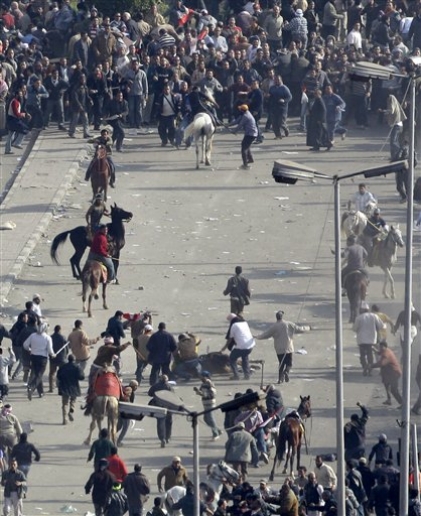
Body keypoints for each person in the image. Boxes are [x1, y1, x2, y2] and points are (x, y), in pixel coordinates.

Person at [255, 310, 296, 384]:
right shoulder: (289, 324)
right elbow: (299, 328)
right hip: (288, 347)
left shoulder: (274, 327)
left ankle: (280, 379)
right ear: (282, 316)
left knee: (281, 364)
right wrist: (308, 328)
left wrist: (257, 337)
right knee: (289, 364)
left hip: (279, 349)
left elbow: (266, 334)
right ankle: (286, 372)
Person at [23, 322, 56, 400]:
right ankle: (31, 387)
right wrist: (53, 355)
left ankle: (40, 392)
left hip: (33, 357)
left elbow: (25, 345)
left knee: (37, 374)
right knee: (39, 375)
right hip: (42, 358)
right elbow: (50, 350)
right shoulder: (47, 338)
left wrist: (30, 349)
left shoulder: (33, 336)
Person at [353, 302, 385, 376]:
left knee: (362, 355)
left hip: (361, 339)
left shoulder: (359, 318)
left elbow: (354, 328)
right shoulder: (374, 316)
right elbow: (381, 326)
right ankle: (370, 368)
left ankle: (365, 366)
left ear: (361, 310)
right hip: (371, 339)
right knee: (370, 354)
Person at [222, 314, 255, 381]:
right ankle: (247, 375)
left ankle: (236, 376)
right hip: (250, 345)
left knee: (232, 358)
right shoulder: (244, 323)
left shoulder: (234, 325)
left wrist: (224, 348)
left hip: (242, 346)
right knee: (245, 358)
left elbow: (230, 339)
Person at [370, 341, 403, 407]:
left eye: (381, 347)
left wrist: (371, 366)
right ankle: (389, 400)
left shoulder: (386, 354)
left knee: (394, 390)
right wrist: (374, 350)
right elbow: (379, 353)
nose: (380, 348)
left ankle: (403, 403)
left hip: (394, 373)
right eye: (380, 347)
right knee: (386, 384)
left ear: (385, 347)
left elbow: (381, 363)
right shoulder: (385, 350)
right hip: (388, 373)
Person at [57, 354, 85, 425]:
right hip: (74, 386)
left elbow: (59, 376)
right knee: (73, 400)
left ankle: (64, 419)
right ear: (74, 360)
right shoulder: (77, 367)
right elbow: (81, 377)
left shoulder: (63, 367)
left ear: (68, 359)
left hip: (64, 387)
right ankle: (71, 410)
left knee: (64, 404)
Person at [194, 371, 223, 440]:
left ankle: (215, 434)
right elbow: (202, 392)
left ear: (205, 376)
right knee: (206, 419)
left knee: (210, 418)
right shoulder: (203, 384)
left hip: (210, 403)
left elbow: (212, 394)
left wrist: (203, 394)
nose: (200, 377)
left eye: (201, 376)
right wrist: (198, 391)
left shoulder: (209, 383)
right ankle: (218, 430)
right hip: (205, 404)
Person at [229, 104, 258, 170]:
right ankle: (250, 159)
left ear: (242, 110)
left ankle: (245, 165)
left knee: (244, 148)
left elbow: (240, 125)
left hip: (251, 134)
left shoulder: (246, 116)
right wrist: (228, 125)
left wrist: (234, 131)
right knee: (246, 146)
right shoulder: (245, 113)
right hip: (251, 133)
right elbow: (237, 121)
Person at [148, 375, 174, 448]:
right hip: (168, 407)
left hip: (158, 406)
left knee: (160, 423)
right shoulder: (169, 387)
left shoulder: (155, 386)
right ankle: (167, 437)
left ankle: (162, 439)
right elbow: (173, 396)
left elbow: (149, 393)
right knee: (169, 422)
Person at [5, 88, 30, 155]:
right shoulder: (15, 102)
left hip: (12, 119)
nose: (21, 96)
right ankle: (17, 143)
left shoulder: (17, 101)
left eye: (22, 95)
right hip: (13, 120)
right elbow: (16, 113)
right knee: (25, 129)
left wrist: (25, 114)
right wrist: (23, 114)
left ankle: (7, 150)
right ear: (16, 95)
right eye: (20, 95)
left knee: (11, 135)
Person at [268, 75, 292, 140]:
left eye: (278, 80)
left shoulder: (284, 88)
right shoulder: (272, 88)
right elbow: (270, 96)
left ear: (281, 80)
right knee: (274, 123)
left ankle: (286, 129)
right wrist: (268, 96)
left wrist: (284, 100)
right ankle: (278, 135)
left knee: (281, 122)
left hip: (282, 108)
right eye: (275, 80)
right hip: (274, 107)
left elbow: (289, 97)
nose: (277, 81)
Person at [48, 324, 68, 393]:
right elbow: (67, 348)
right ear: (60, 330)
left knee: (52, 373)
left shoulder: (50, 337)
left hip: (53, 358)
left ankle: (51, 388)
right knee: (62, 373)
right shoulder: (63, 338)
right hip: (61, 358)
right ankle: (61, 387)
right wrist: (65, 355)